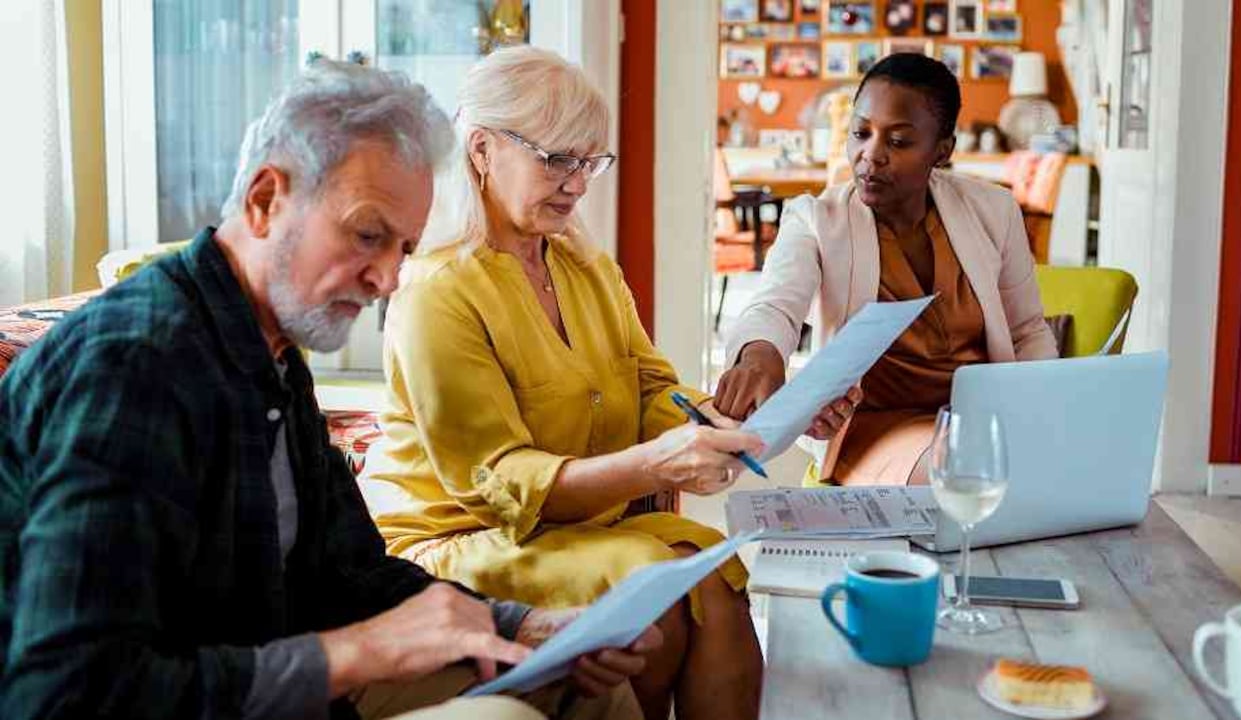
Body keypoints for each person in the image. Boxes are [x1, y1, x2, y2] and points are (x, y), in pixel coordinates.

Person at [0, 60, 659, 720]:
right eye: (367, 235)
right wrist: (355, 655)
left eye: (403, 248)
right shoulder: (134, 371)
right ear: (265, 201)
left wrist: (517, 624)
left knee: (584, 682)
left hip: (258, 675)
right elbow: (66, 691)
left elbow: (350, 575)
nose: (388, 280)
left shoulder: (273, 355)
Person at [358, 46, 763, 720]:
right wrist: (654, 464)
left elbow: (652, 383)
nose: (577, 184)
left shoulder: (583, 265)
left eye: (590, 162)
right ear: (482, 150)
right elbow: (499, 483)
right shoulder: (438, 291)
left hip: (569, 530)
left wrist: (709, 423)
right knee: (652, 586)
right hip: (462, 538)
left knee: (718, 574)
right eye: (556, 160)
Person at [715, 54, 1058, 486]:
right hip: (876, 427)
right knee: (965, 473)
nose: (870, 155)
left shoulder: (993, 210)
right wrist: (759, 356)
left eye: (898, 142)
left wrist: (1046, 410)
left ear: (942, 150)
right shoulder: (816, 220)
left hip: (982, 420)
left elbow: (1027, 330)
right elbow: (775, 306)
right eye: (861, 133)